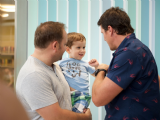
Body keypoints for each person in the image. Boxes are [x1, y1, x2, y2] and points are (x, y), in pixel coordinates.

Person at [92, 7, 160, 120]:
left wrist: (101, 70)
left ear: (110, 29)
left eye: (103, 33)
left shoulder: (129, 53)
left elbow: (98, 99)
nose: (104, 38)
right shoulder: (138, 48)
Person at [16, 21, 92, 120]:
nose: (66, 49)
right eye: (65, 44)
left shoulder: (55, 66)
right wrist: (84, 117)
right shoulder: (34, 74)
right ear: (55, 45)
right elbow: (56, 117)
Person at [59, 32, 99, 113]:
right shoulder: (62, 62)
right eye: (78, 47)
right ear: (68, 49)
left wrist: (96, 66)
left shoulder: (86, 64)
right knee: (66, 114)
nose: (82, 50)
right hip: (67, 95)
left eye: (84, 47)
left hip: (82, 95)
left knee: (77, 114)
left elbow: (97, 75)